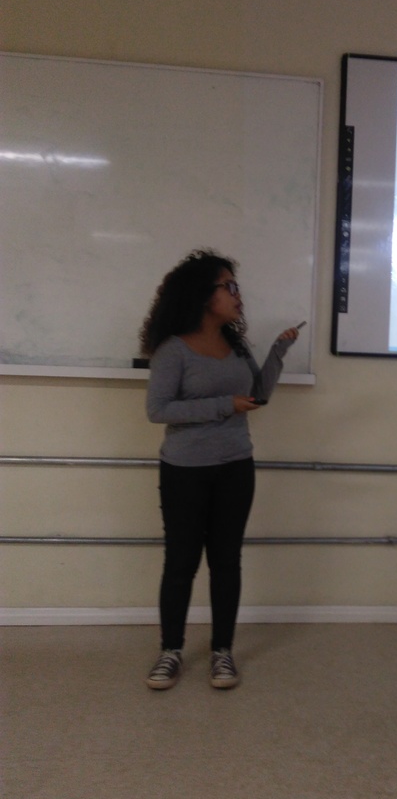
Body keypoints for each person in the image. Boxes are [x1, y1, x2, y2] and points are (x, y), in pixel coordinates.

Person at [139, 249, 300, 690]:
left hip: (236, 467)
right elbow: (158, 410)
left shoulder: (236, 347)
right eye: (228, 286)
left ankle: (222, 652)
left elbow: (258, 395)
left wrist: (278, 351)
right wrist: (223, 405)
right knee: (181, 563)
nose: (236, 294)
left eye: (236, 286)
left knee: (227, 562)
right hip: (185, 470)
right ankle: (170, 651)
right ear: (202, 294)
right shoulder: (173, 350)